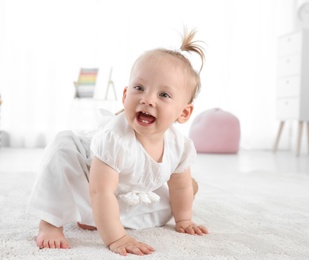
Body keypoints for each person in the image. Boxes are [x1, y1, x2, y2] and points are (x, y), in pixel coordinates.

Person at [27, 28, 209, 256]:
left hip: (127, 191)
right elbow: (100, 193)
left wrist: (184, 219)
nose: (147, 99)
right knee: (63, 145)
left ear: (183, 113)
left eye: (164, 95)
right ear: (125, 95)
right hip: (89, 183)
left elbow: (179, 185)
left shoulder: (180, 146)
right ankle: (51, 222)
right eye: (139, 88)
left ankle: (97, 218)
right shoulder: (115, 139)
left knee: (177, 197)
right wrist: (117, 238)